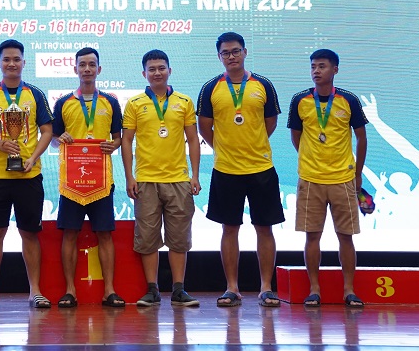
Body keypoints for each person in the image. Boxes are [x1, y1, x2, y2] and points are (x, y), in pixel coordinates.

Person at [196, 32, 284, 308]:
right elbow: (204, 127)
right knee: (229, 228)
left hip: (261, 168)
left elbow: (270, 123)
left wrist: (253, 144)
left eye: (236, 51)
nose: (231, 56)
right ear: (219, 56)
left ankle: (266, 288)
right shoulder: (210, 88)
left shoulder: (263, 85)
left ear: (245, 52)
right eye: (226, 53)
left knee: (264, 228)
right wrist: (224, 147)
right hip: (226, 169)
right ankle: (232, 288)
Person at [0, 39, 54, 309]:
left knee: (29, 233)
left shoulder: (35, 94)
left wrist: (33, 157)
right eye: (6, 59)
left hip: (29, 175)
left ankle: (35, 290)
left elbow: (47, 131)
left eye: (16, 59)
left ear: (23, 62)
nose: (11, 64)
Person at [288, 49, 368, 307]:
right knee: (312, 237)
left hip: (342, 178)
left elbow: (361, 138)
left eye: (322, 66)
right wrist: (311, 159)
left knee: (346, 236)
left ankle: (349, 290)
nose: (316, 71)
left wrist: (357, 174)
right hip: (310, 179)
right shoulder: (300, 100)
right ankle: (314, 289)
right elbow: (296, 137)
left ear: (335, 69)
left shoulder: (349, 100)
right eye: (313, 66)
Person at [121, 49, 201, 307]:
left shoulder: (184, 101)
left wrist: (195, 175)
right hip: (146, 180)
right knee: (147, 238)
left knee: (179, 238)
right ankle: (152, 289)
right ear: (144, 73)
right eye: (152, 69)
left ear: (169, 70)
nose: (157, 73)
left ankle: (179, 290)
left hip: (179, 180)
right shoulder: (134, 104)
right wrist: (129, 177)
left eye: (161, 68)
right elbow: (126, 141)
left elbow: (193, 139)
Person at [50, 47, 125, 308]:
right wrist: (60, 139)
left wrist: (114, 145)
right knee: (69, 234)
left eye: (92, 64)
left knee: (104, 234)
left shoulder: (111, 102)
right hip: (72, 182)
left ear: (99, 69)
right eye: (82, 65)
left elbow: (118, 138)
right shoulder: (63, 103)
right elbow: (52, 139)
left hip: (102, 181)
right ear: (75, 69)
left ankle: (109, 291)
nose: (87, 69)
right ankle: (70, 291)